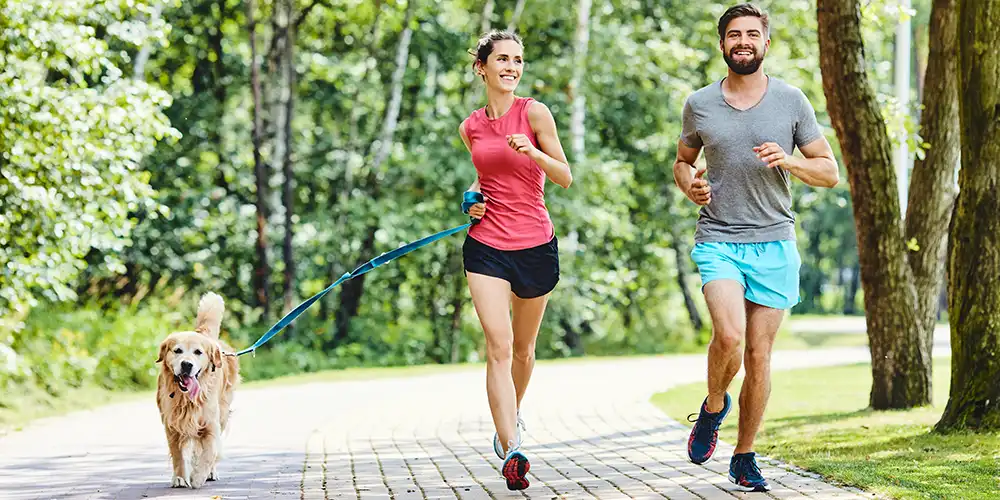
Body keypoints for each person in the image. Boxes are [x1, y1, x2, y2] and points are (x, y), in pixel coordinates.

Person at [672, 3, 839, 493]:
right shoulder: (700, 103)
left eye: (751, 34)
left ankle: (744, 457)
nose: (742, 41)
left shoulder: (791, 101)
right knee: (729, 337)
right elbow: (683, 161)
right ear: (722, 43)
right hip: (719, 237)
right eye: (733, 34)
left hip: (774, 242)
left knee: (760, 356)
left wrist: (789, 160)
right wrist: (689, 185)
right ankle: (713, 406)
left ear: (766, 43)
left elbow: (829, 171)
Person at [457, 29, 573, 491]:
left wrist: (534, 151)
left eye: (517, 60)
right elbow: (484, 176)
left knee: (523, 350)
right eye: (502, 59)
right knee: (499, 347)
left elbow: (564, 176)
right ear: (481, 67)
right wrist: (471, 199)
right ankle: (512, 448)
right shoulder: (470, 126)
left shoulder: (535, 113)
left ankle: (512, 413)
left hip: (534, 246)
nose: (511, 67)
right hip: (486, 246)